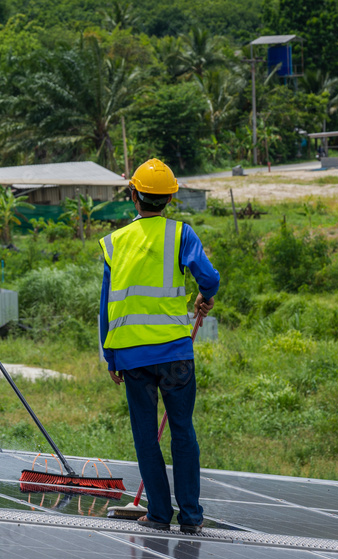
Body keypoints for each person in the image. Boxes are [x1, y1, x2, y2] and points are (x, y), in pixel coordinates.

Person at [100, 158, 219, 534]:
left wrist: (110, 356)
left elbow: (106, 307)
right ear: (170, 198)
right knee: (182, 431)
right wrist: (205, 295)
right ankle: (191, 517)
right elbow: (210, 277)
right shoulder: (181, 234)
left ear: (133, 195)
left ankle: (157, 515)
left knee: (146, 436)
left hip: (133, 357)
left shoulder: (114, 243)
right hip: (175, 355)